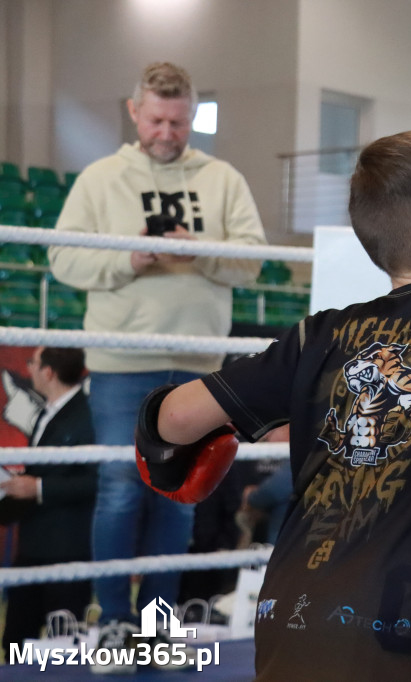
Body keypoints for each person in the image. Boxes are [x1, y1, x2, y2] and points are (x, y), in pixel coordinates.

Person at [131, 129, 411, 681]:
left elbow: (177, 418)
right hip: (395, 618)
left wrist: (185, 455)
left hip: (286, 606)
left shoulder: (321, 334)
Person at [47, 61, 267, 670]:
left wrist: (199, 253)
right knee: (120, 490)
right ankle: (114, 626)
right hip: (122, 359)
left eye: (177, 120)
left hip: (198, 358)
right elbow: (63, 260)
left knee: (181, 497)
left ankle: (156, 632)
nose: (167, 131)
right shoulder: (100, 178)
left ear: (190, 116)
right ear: (134, 112)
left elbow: (252, 261)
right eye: (156, 119)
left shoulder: (222, 178)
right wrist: (130, 259)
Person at [0, 347, 96, 649]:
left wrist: (38, 487)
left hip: (68, 547)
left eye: (33, 362)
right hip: (31, 544)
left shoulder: (89, 415)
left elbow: (98, 480)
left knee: (63, 640)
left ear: (48, 372)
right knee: (16, 640)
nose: (27, 368)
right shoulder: (45, 412)